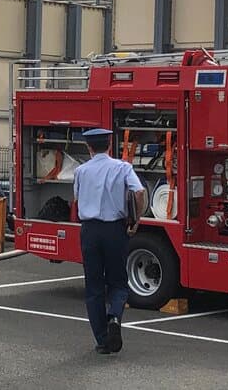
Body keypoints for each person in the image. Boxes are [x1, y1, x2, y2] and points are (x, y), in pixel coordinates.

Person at [74, 128, 146, 355]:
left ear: (89, 147)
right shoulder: (123, 167)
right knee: (118, 282)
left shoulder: (80, 171)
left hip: (89, 230)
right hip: (115, 229)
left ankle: (102, 340)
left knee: (94, 286)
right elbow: (139, 191)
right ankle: (114, 315)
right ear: (110, 145)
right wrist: (136, 219)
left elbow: (76, 199)